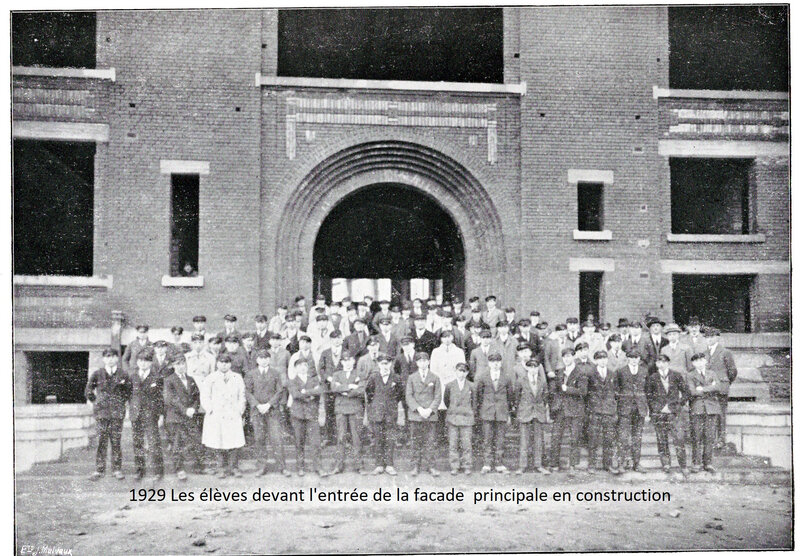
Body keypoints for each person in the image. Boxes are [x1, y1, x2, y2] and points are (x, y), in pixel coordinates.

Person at [85, 348, 132, 480]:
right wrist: (96, 402)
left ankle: (117, 469)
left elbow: (129, 391)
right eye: (107, 356)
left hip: (117, 413)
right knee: (101, 441)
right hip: (102, 413)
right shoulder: (97, 373)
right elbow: (88, 389)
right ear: (103, 359)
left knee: (116, 441)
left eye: (113, 356)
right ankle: (99, 469)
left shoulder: (123, 374)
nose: (110, 359)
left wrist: (122, 403)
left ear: (117, 358)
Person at [245, 350, 290, 477]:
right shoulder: (251, 374)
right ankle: (261, 467)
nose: (264, 360)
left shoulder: (275, 373)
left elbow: (280, 391)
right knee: (259, 438)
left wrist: (269, 404)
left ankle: (282, 467)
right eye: (261, 358)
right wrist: (258, 405)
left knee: (276, 439)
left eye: (266, 358)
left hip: (272, 410)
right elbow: (248, 392)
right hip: (257, 411)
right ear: (257, 360)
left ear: (269, 360)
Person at [201, 353, 246, 478]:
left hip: (232, 413)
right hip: (217, 414)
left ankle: (233, 467)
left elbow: (242, 395)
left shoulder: (237, 377)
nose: (224, 365)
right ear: (217, 363)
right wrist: (210, 409)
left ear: (230, 364)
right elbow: (205, 396)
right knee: (218, 441)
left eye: (226, 362)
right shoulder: (211, 378)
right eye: (221, 362)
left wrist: (239, 410)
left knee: (234, 441)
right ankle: (220, 467)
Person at [646, 353, 690, 476]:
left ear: (668, 363)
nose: (662, 364)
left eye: (664, 362)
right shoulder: (652, 377)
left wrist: (677, 405)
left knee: (679, 439)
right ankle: (666, 464)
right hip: (659, 413)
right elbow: (649, 397)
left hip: (674, 413)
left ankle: (683, 465)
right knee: (662, 439)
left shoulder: (676, 375)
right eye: (659, 362)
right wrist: (658, 408)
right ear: (656, 364)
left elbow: (686, 392)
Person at [163, 354, 204, 480]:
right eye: (177, 364)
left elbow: (197, 396)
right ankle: (179, 469)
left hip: (190, 415)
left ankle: (198, 466)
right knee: (176, 443)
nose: (181, 367)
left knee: (196, 439)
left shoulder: (190, 379)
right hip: (175, 417)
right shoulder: (169, 380)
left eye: (182, 363)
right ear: (173, 366)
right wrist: (185, 410)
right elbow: (171, 399)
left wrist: (194, 408)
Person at [548, 347, 588, 475]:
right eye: (565, 357)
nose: (567, 359)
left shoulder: (581, 373)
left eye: (569, 356)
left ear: (574, 357)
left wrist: (567, 389)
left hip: (575, 410)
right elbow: (553, 391)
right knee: (555, 437)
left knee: (574, 438)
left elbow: (583, 392)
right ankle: (554, 464)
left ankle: (573, 466)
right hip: (560, 410)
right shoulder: (559, 372)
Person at [129, 349, 164, 482]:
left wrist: (161, 415)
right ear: (137, 362)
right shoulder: (132, 377)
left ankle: (158, 472)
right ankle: (139, 471)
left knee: (154, 443)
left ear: (150, 362)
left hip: (151, 415)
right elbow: (127, 394)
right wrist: (130, 408)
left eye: (146, 361)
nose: (143, 363)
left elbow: (161, 398)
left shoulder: (157, 378)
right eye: (141, 361)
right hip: (136, 414)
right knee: (137, 443)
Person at [365, 353, 402, 475]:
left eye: (387, 363)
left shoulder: (396, 378)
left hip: (391, 413)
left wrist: (391, 405)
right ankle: (379, 465)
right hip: (377, 413)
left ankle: (390, 465)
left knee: (390, 439)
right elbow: (369, 393)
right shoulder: (373, 377)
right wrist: (376, 406)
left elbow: (399, 395)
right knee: (378, 439)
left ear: (391, 364)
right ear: (378, 364)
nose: (385, 366)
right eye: (382, 364)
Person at [476, 352, 513, 474]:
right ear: (489, 363)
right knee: (487, 438)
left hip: (501, 412)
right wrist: (483, 409)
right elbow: (479, 395)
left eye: (497, 361)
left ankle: (499, 463)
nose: (495, 364)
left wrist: (508, 413)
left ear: (501, 363)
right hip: (487, 412)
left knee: (500, 439)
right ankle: (487, 463)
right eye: (493, 362)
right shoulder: (483, 376)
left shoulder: (506, 377)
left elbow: (510, 396)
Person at [405, 352, 442, 476]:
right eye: (420, 361)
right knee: (415, 441)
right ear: (416, 363)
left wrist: (430, 410)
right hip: (416, 415)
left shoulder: (435, 378)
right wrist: (419, 409)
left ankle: (431, 466)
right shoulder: (411, 378)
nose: (423, 363)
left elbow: (438, 397)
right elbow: (409, 396)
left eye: (425, 361)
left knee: (430, 442)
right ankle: (415, 466)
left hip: (430, 415)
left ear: (429, 362)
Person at [287, 359, 325, 477]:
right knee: (299, 442)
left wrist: (305, 391)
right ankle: (300, 467)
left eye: (305, 365)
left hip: (312, 414)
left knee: (315, 442)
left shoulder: (314, 380)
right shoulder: (292, 381)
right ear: (295, 368)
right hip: (298, 415)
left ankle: (318, 467)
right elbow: (296, 395)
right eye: (300, 366)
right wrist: (310, 395)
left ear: (308, 367)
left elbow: (319, 391)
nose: (303, 367)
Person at [330, 350, 366, 474]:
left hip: (355, 408)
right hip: (341, 408)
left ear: (353, 361)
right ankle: (338, 465)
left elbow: (361, 389)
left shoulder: (359, 374)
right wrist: (350, 386)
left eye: (350, 360)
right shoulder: (337, 374)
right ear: (342, 362)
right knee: (341, 437)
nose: (348, 363)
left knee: (357, 437)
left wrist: (344, 389)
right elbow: (333, 387)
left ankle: (359, 466)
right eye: (345, 360)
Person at [586, 351, 621, 474]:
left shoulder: (612, 373)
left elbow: (616, 391)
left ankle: (608, 464)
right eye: (599, 358)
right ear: (596, 360)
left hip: (609, 411)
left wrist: (613, 407)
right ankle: (592, 465)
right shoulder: (590, 373)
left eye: (604, 358)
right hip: (595, 411)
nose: (602, 361)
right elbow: (586, 393)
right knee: (593, 439)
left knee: (609, 439)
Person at [686, 352, 721, 473]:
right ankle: (696, 463)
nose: (699, 363)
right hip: (697, 408)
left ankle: (708, 463)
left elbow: (718, 387)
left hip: (711, 408)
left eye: (701, 360)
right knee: (697, 436)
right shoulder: (690, 375)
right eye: (696, 361)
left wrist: (702, 388)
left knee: (710, 436)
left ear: (705, 361)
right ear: (693, 363)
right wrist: (710, 387)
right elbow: (692, 392)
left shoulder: (712, 373)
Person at [515, 358, 549, 474]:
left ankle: (538, 465)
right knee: (524, 440)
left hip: (538, 413)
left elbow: (545, 396)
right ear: (527, 368)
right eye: (531, 367)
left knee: (538, 440)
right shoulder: (521, 380)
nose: (533, 369)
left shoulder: (542, 381)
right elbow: (516, 397)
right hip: (525, 412)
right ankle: (522, 466)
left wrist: (541, 409)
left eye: (535, 367)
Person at [705, 327, 738, 449]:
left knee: (721, 415)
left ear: (717, 338)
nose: (709, 339)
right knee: (710, 414)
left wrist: (725, 382)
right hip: (709, 388)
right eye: (707, 337)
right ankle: (711, 440)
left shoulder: (725, 352)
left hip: (721, 389)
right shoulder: (704, 353)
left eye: (712, 337)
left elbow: (732, 371)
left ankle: (721, 440)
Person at [616, 350, 648, 472]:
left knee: (637, 437)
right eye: (632, 357)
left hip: (640, 408)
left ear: (639, 358)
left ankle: (636, 463)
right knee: (623, 437)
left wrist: (646, 408)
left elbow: (647, 389)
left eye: (637, 357)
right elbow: (616, 389)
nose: (634, 359)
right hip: (625, 408)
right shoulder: (621, 371)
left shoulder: (644, 371)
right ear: (628, 358)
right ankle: (621, 464)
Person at [443, 362, 475, 475]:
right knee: (453, 444)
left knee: (466, 444)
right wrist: (453, 412)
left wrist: (469, 413)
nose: (461, 373)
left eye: (464, 371)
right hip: (453, 418)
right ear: (455, 371)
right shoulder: (449, 385)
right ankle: (454, 466)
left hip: (467, 419)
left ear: (467, 373)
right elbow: (446, 400)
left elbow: (475, 402)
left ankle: (467, 465)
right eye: (459, 371)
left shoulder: (471, 386)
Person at [318, 330, 345, 446]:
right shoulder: (325, 353)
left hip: (341, 387)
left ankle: (343, 438)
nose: (336, 340)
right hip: (328, 387)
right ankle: (329, 437)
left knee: (342, 412)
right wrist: (328, 378)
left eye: (339, 338)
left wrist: (341, 382)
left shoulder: (346, 352)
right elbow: (321, 369)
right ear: (331, 340)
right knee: (329, 412)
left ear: (342, 339)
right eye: (334, 338)